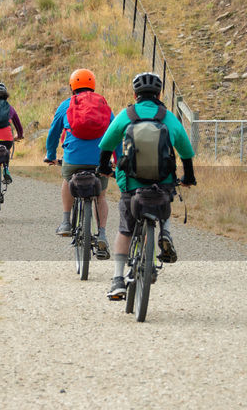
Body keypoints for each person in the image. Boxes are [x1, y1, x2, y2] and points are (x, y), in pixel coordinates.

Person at [97, 72, 196, 300]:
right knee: (165, 199)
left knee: (125, 228)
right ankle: (166, 233)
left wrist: (104, 168)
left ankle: (118, 279)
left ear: (135, 94)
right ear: (159, 94)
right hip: (161, 184)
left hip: (132, 184)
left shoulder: (127, 115)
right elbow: (187, 153)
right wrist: (188, 177)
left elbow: (106, 145)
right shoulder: (168, 117)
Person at [44, 68, 113, 258]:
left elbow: (53, 133)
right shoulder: (103, 104)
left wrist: (50, 154)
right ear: (93, 85)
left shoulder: (66, 105)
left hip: (74, 158)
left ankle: (66, 221)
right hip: (99, 160)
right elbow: (115, 132)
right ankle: (103, 234)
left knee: (68, 178)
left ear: (72, 86)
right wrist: (117, 160)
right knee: (101, 196)